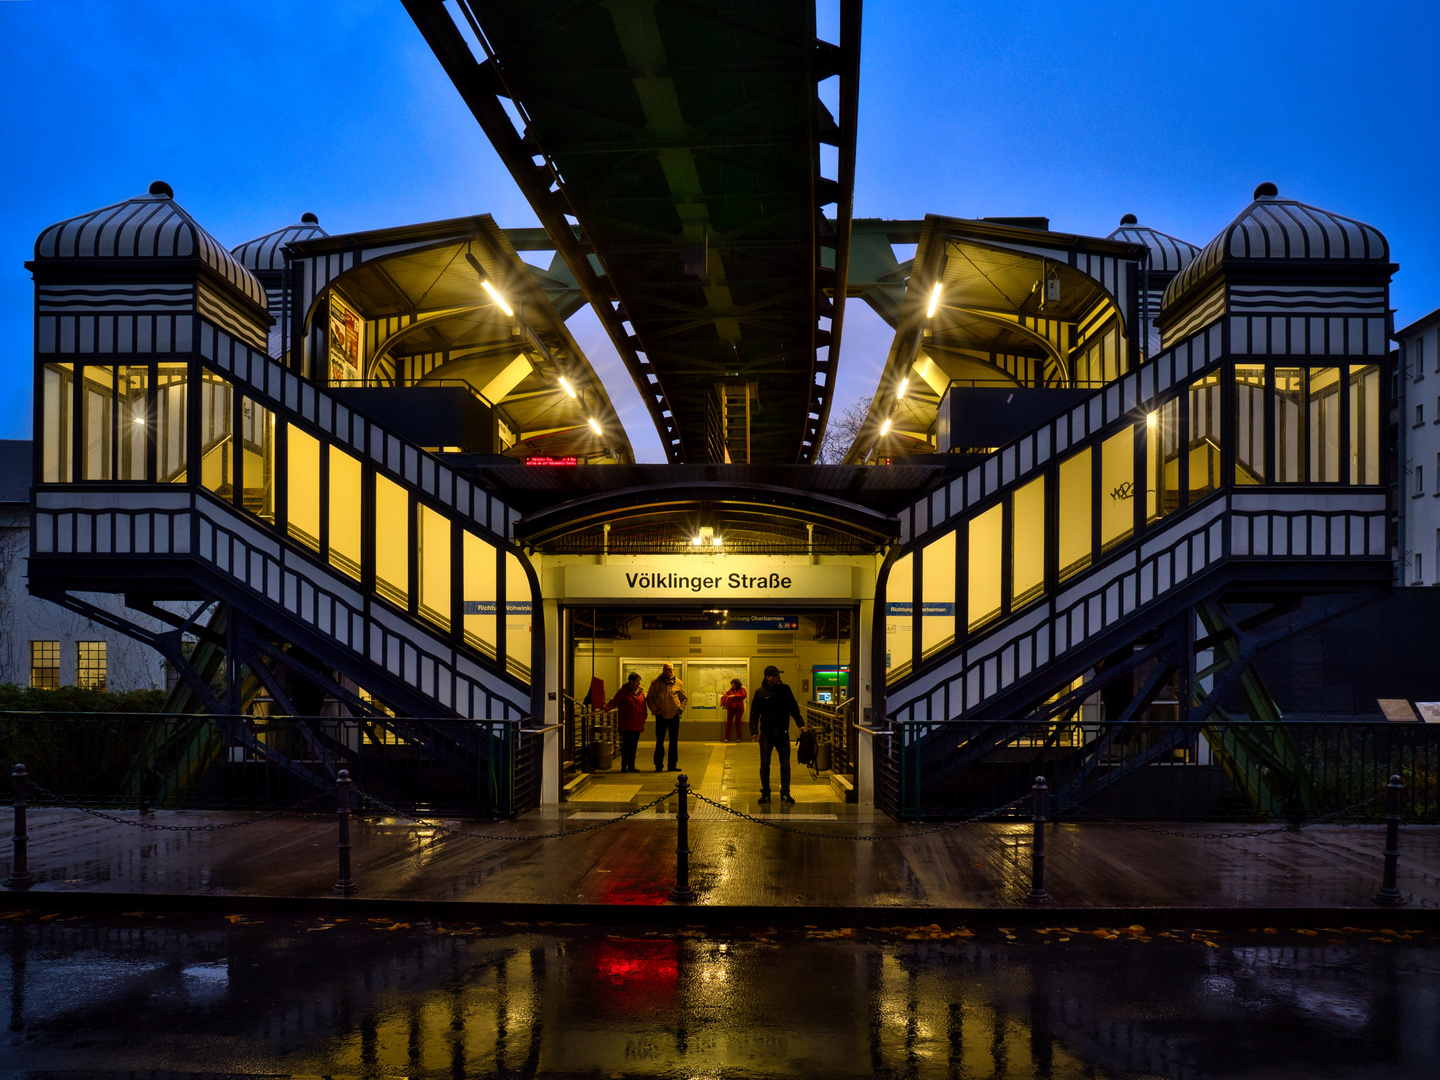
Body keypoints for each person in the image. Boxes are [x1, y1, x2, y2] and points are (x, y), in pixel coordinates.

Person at [749, 665, 803, 804]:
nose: (779, 677)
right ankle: (765, 793)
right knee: (765, 764)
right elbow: (754, 713)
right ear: (768, 677)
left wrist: (801, 724)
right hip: (766, 734)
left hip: (783, 734)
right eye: (776, 675)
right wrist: (754, 731)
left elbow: (793, 708)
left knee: (785, 764)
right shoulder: (760, 693)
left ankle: (785, 793)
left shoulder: (785, 690)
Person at [646, 662, 687, 772]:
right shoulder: (656, 682)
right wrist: (655, 710)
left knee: (673, 741)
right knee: (660, 740)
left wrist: (680, 709)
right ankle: (658, 765)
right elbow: (649, 697)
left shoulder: (678, 683)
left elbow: (684, 698)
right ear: (663, 670)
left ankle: (672, 765)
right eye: (668, 669)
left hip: (674, 716)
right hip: (661, 716)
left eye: (671, 669)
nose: (670, 671)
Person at [607, 672, 648, 773]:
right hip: (626, 724)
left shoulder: (641, 692)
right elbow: (614, 701)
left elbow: (643, 706)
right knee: (626, 746)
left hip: (637, 724)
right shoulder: (623, 692)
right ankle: (624, 766)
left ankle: (631, 766)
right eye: (637, 682)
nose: (639, 684)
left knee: (634, 746)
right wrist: (605, 709)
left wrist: (644, 717)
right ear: (631, 682)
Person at [720, 677, 747, 742]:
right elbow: (726, 693)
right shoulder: (731, 690)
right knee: (729, 723)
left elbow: (743, 696)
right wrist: (724, 694)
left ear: (737, 684)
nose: (733, 686)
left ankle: (739, 738)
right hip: (731, 708)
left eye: (734, 685)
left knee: (738, 723)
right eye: (732, 684)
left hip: (739, 708)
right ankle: (726, 738)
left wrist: (734, 696)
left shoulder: (742, 689)